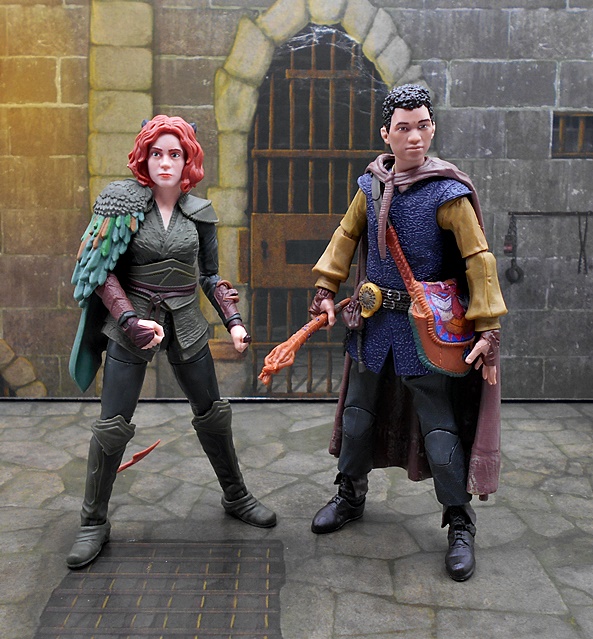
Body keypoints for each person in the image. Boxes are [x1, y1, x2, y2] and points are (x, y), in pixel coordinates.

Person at [308, 84, 507, 581]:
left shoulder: (447, 192)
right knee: (357, 417)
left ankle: (459, 520)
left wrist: (487, 327)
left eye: (422, 126)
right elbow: (345, 236)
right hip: (374, 325)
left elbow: (478, 259)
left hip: (425, 332)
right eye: (403, 128)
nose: (414, 136)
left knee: (440, 431)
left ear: (432, 128)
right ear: (386, 134)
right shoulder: (371, 186)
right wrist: (325, 288)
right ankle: (350, 493)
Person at [66, 115, 276, 570]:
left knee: (213, 412)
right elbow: (100, 272)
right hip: (132, 321)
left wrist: (234, 322)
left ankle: (236, 494)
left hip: (186, 321)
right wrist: (128, 320)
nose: (165, 162)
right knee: (112, 424)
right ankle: (93, 521)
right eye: (157, 153)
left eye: (175, 154)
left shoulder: (199, 213)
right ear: (144, 157)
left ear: (188, 160)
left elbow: (210, 276)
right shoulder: (123, 204)